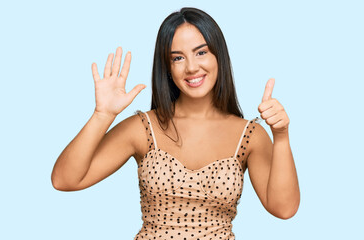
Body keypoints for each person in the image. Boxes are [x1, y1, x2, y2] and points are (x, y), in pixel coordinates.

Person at [51, 7, 300, 240]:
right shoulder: (143, 128)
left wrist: (281, 135)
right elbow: (64, 180)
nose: (192, 67)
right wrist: (102, 114)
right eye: (178, 58)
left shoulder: (249, 135)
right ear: (168, 67)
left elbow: (284, 209)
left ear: (219, 57)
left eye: (201, 52)